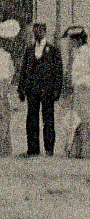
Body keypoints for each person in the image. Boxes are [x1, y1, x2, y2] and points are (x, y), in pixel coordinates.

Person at [17, 22, 64, 157]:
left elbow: (58, 72)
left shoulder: (53, 50)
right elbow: (23, 71)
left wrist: (56, 90)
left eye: (39, 31)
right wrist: (21, 89)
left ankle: (49, 149)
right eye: (35, 31)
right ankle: (33, 149)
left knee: (48, 119)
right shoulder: (29, 50)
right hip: (32, 91)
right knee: (31, 119)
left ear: (44, 31)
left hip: (47, 91)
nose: (36, 33)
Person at [64, 27, 90, 159]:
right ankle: (78, 150)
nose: (70, 43)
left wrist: (83, 81)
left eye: (72, 40)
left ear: (80, 40)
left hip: (88, 93)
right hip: (79, 93)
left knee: (89, 120)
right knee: (77, 120)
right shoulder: (77, 55)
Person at [0, 18, 18, 156]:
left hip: (4, 90)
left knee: (5, 118)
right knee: (4, 118)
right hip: (2, 91)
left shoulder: (7, 56)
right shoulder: (4, 56)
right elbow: (5, 78)